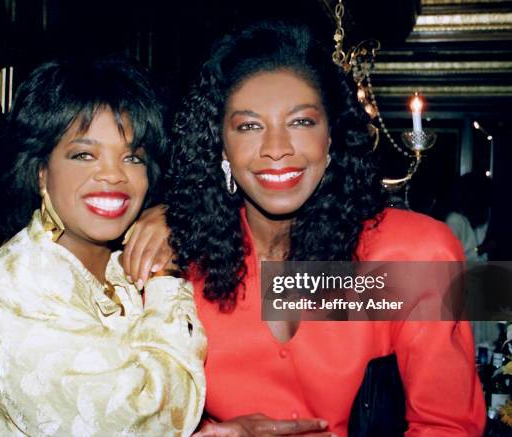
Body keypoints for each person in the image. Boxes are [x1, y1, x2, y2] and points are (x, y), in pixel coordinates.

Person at [123, 22, 485, 436]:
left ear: (331, 136)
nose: (277, 148)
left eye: (301, 122)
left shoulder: (413, 252)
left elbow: (449, 426)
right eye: (249, 126)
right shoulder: (179, 264)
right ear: (220, 144)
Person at [0, 57, 206, 436]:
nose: (113, 174)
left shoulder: (123, 264)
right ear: (40, 170)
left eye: (132, 157)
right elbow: (140, 421)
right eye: (83, 154)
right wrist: (164, 278)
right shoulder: (17, 283)